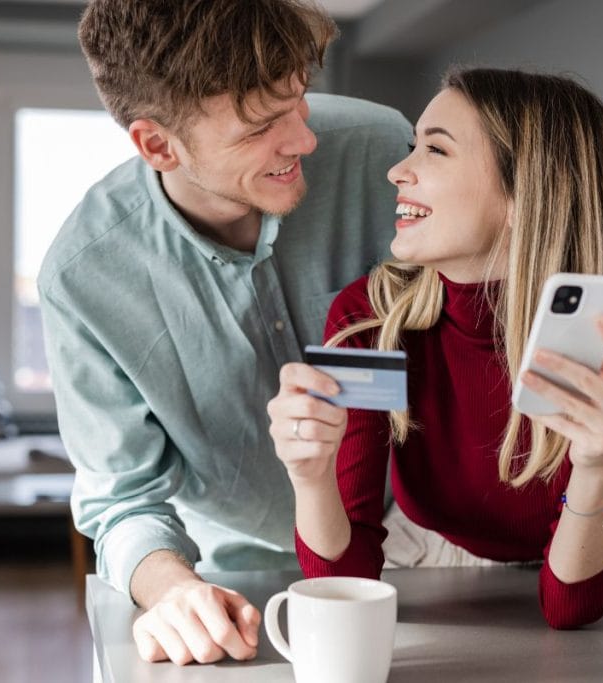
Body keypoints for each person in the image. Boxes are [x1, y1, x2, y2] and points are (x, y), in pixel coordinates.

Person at [38, 0, 411, 667]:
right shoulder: (83, 278)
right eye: (262, 125)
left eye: (299, 99)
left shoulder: (383, 152)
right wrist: (174, 589)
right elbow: (122, 499)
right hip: (245, 582)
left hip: (427, 551)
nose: (304, 139)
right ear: (158, 144)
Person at [268, 67, 603, 629]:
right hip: (422, 561)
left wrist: (592, 464)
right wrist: (309, 476)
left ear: (522, 197)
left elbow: (571, 609)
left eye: (435, 152)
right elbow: (345, 586)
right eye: (411, 148)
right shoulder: (370, 316)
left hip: (576, 563)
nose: (398, 171)